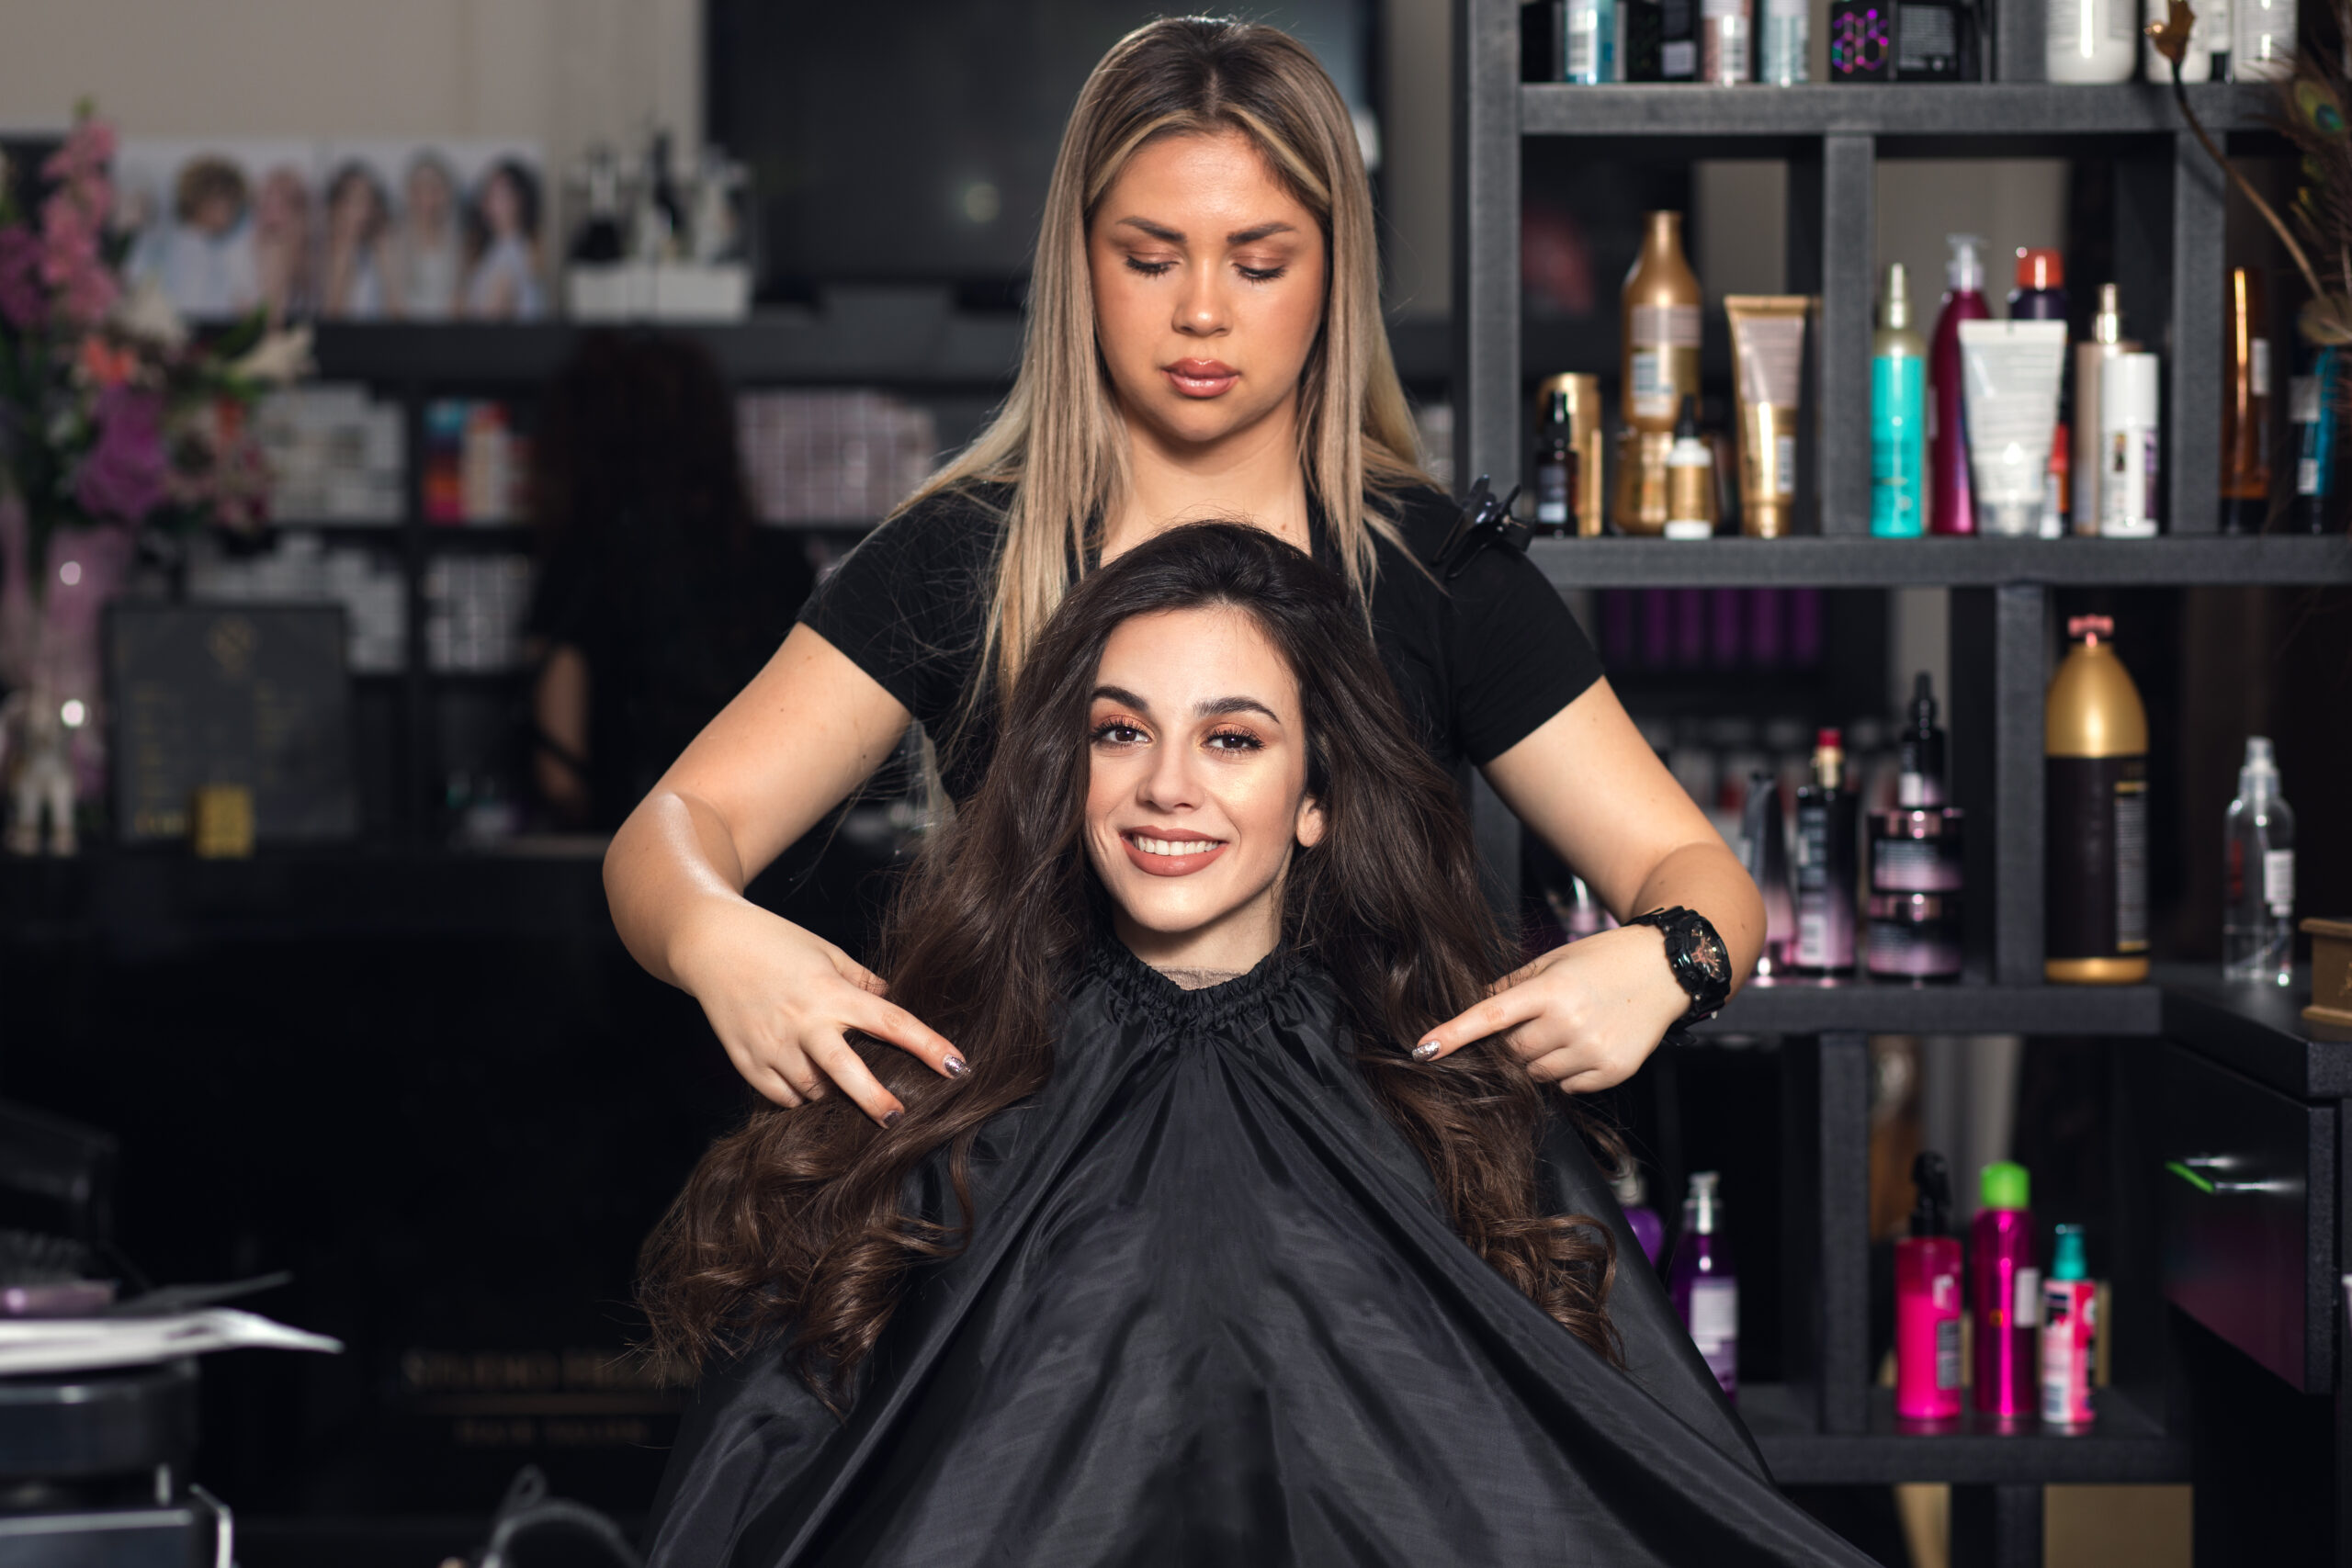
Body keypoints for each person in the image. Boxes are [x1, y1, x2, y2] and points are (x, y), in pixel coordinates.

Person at [602, 17, 1759, 1134]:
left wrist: (1671, 958)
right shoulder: (966, 556)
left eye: (1258, 265)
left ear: (1330, 276)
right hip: (1028, 1216)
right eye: (1150, 259)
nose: (1200, 313)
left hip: (1361, 1232)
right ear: (1080, 264)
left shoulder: (1433, 573)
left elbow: (1696, 870)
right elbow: (671, 829)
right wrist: (712, 934)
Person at [636, 525, 1873, 1567]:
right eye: (1122, 732)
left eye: (1233, 739)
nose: (1169, 783)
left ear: (1319, 794)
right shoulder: (942, 1089)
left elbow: (1589, 1487)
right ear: (1069, 773)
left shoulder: (1443, 1097)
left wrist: (1675, 952)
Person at [527, 334, 811, 829]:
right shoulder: (782, 560)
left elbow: (558, 772)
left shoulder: (584, 564)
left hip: (625, 854)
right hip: (769, 863)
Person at [463, 158, 546, 321]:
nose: (489, 202)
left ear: (519, 202)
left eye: (500, 195)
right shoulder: (497, 249)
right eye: (489, 193)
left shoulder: (514, 252)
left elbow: (490, 313)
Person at [389, 151, 463, 320]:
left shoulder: (461, 245)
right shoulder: (391, 243)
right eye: (419, 189)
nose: (427, 198)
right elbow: (393, 308)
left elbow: (459, 306)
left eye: (434, 189)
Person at [320, 161, 391, 320]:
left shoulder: (378, 253)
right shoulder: (316, 254)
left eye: (368, 201)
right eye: (354, 202)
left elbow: (400, 322)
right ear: (335, 208)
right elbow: (330, 323)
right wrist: (343, 257)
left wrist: (386, 264)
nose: (363, 211)